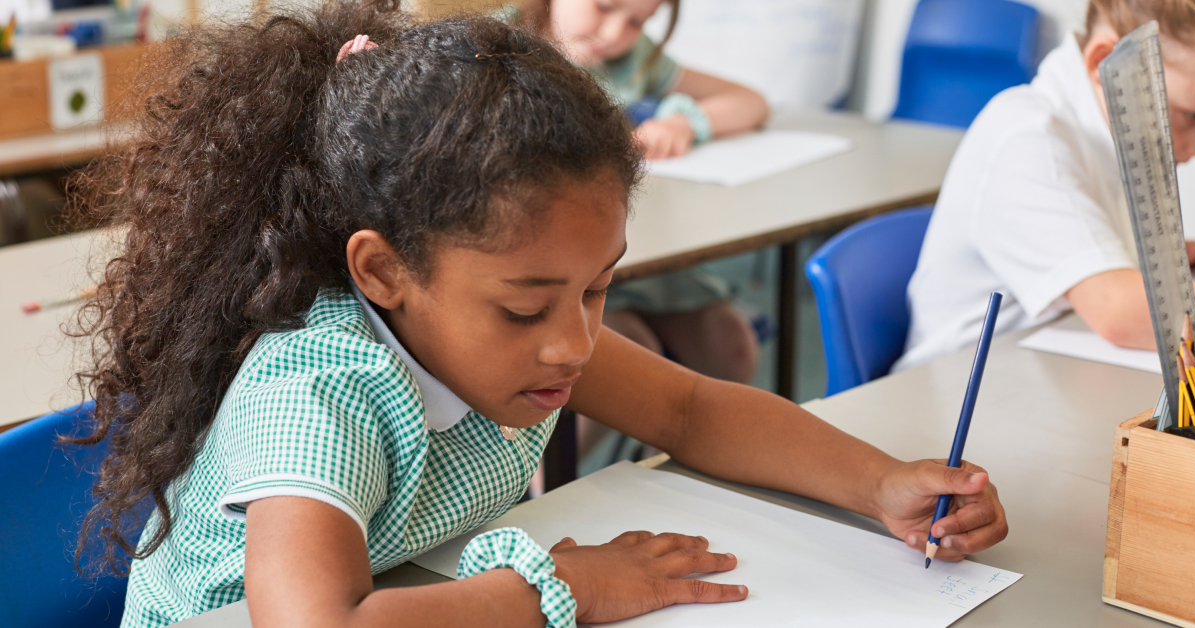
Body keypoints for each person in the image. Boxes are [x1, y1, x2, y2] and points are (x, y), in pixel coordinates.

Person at [68, 3, 1006, 627]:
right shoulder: (323, 391)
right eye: (528, 306)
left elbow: (691, 411)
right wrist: (563, 584)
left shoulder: (505, 337)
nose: (574, 339)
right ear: (385, 271)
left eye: (598, 287)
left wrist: (881, 484)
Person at [897, 0, 1195, 371]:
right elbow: (1119, 311)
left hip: (1047, 376)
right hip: (956, 396)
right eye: (1193, 115)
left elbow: (1116, 259)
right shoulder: (1028, 135)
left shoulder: (1113, 140)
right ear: (1105, 63)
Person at [522, 0, 771, 392]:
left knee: (731, 346)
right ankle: (541, 455)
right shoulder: (497, 42)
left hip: (635, 253)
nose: (615, 33)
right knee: (624, 365)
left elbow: (750, 101)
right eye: (604, 7)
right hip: (553, 266)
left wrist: (684, 122)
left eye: (638, 21)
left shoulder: (633, 59)